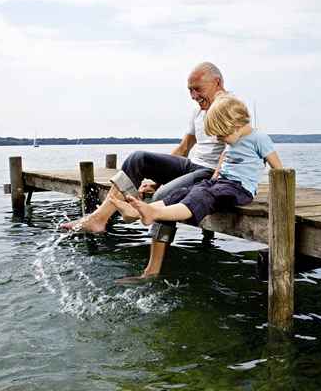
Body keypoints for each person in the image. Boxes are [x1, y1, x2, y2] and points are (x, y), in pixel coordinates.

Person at [60, 62, 227, 273]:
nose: (193, 95)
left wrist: (214, 180)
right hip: (191, 166)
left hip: (211, 173)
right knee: (138, 158)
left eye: (197, 89)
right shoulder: (198, 112)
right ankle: (100, 218)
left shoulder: (230, 107)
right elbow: (184, 147)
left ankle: (152, 269)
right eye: (189, 90)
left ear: (217, 82)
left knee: (164, 195)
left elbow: (232, 150)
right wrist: (158, 177)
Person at [110, 94, 283, 281]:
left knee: (203, 195)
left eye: (221, 135)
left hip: (239, 189)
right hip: (220, 183)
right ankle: (139, 213)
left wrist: (281, 197)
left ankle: (153, 213)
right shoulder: (232, 138)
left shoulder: (259, 139)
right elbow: (224, 159)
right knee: (185, 192)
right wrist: (215, 177)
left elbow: (279, 170)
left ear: (236, 124)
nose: (220, 139)